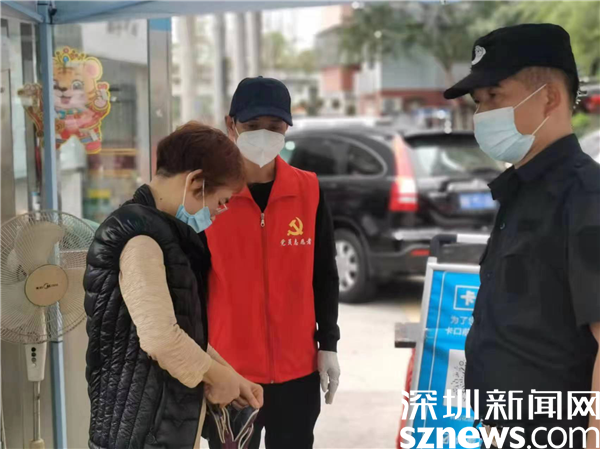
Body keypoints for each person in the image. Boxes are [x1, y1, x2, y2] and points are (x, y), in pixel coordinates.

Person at [444, 24, 600, 448]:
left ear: (549, 98)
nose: (481, 114)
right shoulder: (520, 190)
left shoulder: (585, 196)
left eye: (494, 96)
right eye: (478, 102)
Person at [84, 122, 264, 449]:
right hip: (138, 433)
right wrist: (217, 376)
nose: (219, 212)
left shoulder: (163, 234)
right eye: (221, 201)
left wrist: (230, 376)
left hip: (159, 425)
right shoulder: (140, 239)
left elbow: (181, 329)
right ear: (195, 182)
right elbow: (161, 339)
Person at [204, 77, 341, 449]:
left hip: (298, 372)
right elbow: (194, 283)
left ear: (287, 128)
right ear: (231, 124)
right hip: (230, 373)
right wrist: (202, 362)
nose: (263, 135)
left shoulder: (308, 190)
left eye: (275, 127)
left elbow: (324, 275)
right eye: (252, 126)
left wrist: (328, 343)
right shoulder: (211, 198)